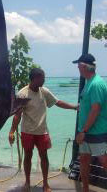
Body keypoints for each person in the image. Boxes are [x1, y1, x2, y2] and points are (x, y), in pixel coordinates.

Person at [9, 68, 78, 192]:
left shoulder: (44, 91)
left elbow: (58, 102)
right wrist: (12, 131)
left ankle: (46, 183)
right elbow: (17, 115)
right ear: (35, 78)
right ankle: (27, 182)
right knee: (28, 157)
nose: (44, 80)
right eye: (42, 78)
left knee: (44, 156)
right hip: (27, 131)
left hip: (42, 131)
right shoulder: (22, 94)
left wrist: (74, 107)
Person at [73, 54, 107, 192]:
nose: (77, 68)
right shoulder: (89, 82)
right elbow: (89, 105)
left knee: (104, 161)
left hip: (96, 131)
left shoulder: (97, 84)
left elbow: (96, 109)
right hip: (86, 131)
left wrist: (83, 131)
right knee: (84, 160)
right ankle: (85, 189)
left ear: (84, 66)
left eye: (78, 65)